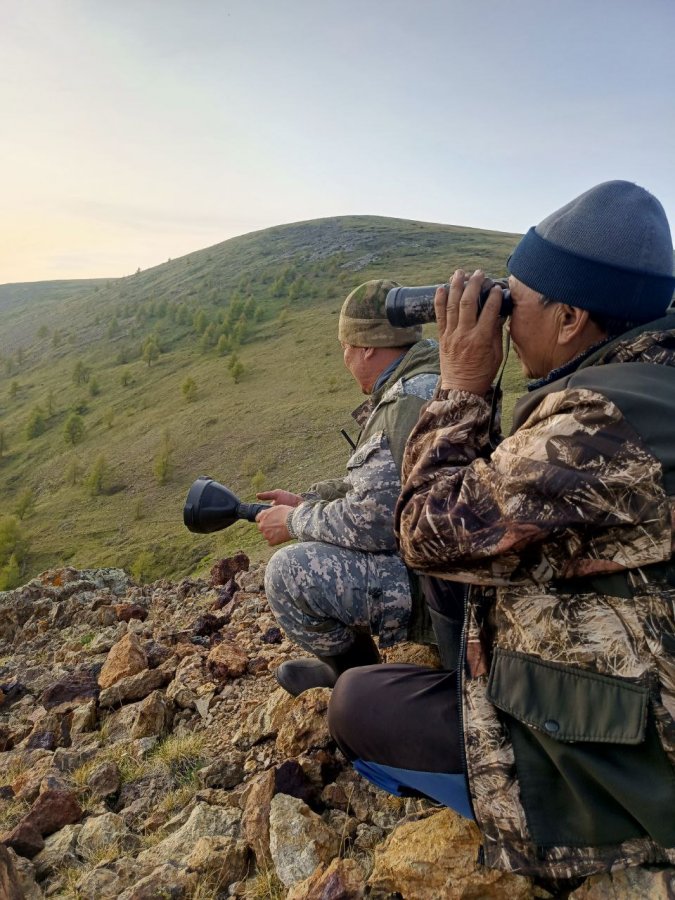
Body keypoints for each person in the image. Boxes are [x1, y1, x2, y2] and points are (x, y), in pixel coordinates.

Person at [328, 181, 675, 879]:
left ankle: (566, 841)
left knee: (357, 705)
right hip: (633, 673)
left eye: (515, 303)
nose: (504, 322)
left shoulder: (603, 426)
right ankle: (465, 684)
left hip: (630, 761)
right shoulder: (646, 383)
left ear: (572, 316)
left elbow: (427, 530)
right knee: (463, 575)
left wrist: (461, 382)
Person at [256, 279, 440, 696]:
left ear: (368, 348)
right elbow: (391, 485)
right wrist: (311, 500)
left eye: (346, 346)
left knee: (289, 573)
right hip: (446, 566)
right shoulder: (430, 377)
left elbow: (372, 524)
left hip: (436, 585)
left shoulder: (405, 402)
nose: (344, 357)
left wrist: (296, 520)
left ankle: (357, 679)